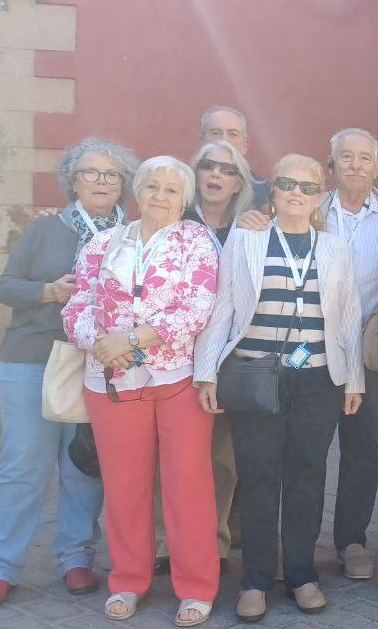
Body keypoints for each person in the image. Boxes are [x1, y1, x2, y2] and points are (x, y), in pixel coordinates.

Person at [0, 138, 137, 611]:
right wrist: (47, 292)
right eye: (90, 173)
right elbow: (5, 287)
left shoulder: (135, 235)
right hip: (33, 359)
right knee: (24, 464)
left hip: (97, 363)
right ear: (72, 181)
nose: (101, 181)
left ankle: (76, 557)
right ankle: (1, 567)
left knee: (83, 465)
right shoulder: (44, 229)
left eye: (111, 174)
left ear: (123, 184)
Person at [194, 153, 364, 620]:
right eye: (288, 183)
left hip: (318, 380)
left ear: (319, 196)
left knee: (308, 473)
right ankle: (255, 579)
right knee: (259, 476)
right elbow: (223, 307)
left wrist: (354, 378)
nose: (297, 193)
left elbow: (349, 316)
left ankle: (302, 574)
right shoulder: (246, 239)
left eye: (308, 187)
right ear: (274, 189)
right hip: (255, 375)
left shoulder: (334, 248)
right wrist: (206, 372)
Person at [62, 155, 219, 626]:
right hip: (111, 381)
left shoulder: (196, 241)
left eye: (171, 190)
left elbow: (198, 306)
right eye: (152, 186)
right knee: (125, 487)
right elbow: (76, 306)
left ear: (184, 198)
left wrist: (130, 339)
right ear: (138, 191)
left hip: (176, 380)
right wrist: (101, 343)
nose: (160, 196)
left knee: (187, 484)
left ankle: (196, 586)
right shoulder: (103, 243)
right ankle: (128, 580)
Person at [153, 139, 255, 576]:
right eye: (208, 166)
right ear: (194, 175)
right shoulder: (171, 222)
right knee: (171, 456)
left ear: (239, 183)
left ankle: (214, 543)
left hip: (227, 357)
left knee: (221, 459)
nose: (216, 175)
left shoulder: (250, 229)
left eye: (228, 170)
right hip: (172, 355)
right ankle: (165, 543)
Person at [320, 128, 378, 580]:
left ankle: (351, 541)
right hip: (314, 348)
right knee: (306, 448)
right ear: (331, 165)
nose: (355, 165)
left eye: (364, 158)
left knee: (363, 447)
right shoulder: (310, 209)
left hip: (370, 349)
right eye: (346, 157)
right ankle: (297, 540)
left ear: (377, 166)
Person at [200, 105, 269, 206]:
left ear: (245, 145)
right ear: (202, 141)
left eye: (233, 134)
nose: (224, 140)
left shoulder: (264, 193)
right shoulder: (183, 185)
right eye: (215, 133)